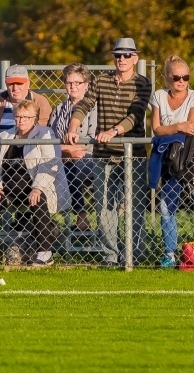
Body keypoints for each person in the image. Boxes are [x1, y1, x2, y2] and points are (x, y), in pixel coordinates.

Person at [65, 38, 151, 266]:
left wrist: (113, 131)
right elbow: (84, 104)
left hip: (133, 154)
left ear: (135, 58)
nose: (121, 59)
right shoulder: (101, 80)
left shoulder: (142, 83)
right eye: (117, 55)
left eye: (126, 55)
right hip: (103, 154)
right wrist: (73, 127)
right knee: (104, 208)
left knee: (135, 206)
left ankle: (134, 255)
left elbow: (136, 115)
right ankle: (111, 255)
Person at [0, 99, 70, 267]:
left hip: (35, 186)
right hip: (9, 189)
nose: (21, 120)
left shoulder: (45, 134)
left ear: (35, 118)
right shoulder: (6, 135)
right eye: (18, 116)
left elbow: (49, 164)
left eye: (26, 117)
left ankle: (45, 253)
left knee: (38, 199)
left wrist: (37, 188)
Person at [150, 54, 194, 269]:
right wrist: (178, 127)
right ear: (167, 77)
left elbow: (192, 127)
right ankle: (170, 254)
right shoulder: (159, 96)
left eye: (186, 77)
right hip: (170, 157)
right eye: (176, 77)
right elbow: (156, 129)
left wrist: (170, 129)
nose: (181, 81)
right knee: (167, 207)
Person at [49, 63, 96, 232]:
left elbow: (92, 139)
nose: (73, 86)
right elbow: (51, 138)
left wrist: (70, 151)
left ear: (86, 85)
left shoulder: (94, 108)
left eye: (78, 82)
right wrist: (66, 151)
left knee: (71, 170)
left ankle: (81, 217)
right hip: (61, 155)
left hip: (89, 156)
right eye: (69, 82)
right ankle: (44, 221)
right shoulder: (59, 109)